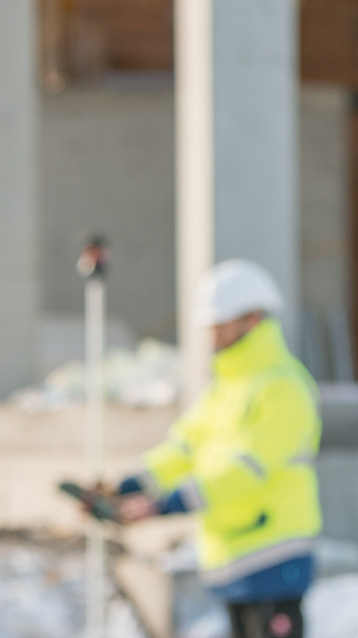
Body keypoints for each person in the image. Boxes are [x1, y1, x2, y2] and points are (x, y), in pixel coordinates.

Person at [110, 259, 321, 638]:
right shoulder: (224, 388)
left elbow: (248, 469)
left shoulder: (283, 387)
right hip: (233, 558)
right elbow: (183, 449)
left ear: (253, 319)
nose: (212, 337)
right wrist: (128, 485)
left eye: (220, 325)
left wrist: (167, 504)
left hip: (274, 556)